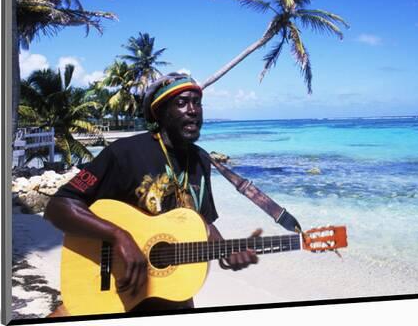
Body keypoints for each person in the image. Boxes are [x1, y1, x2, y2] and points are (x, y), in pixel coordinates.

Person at [44, 73, 260, 316]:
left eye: (197, 102)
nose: (193, 110)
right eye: (181, 103)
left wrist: (226, 250)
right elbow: (59, 206)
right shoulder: (124, 153)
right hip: (113, 290)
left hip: (171, 293)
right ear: (160, 112)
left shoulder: (201, 160)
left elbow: (202, 222)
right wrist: (119, 236)